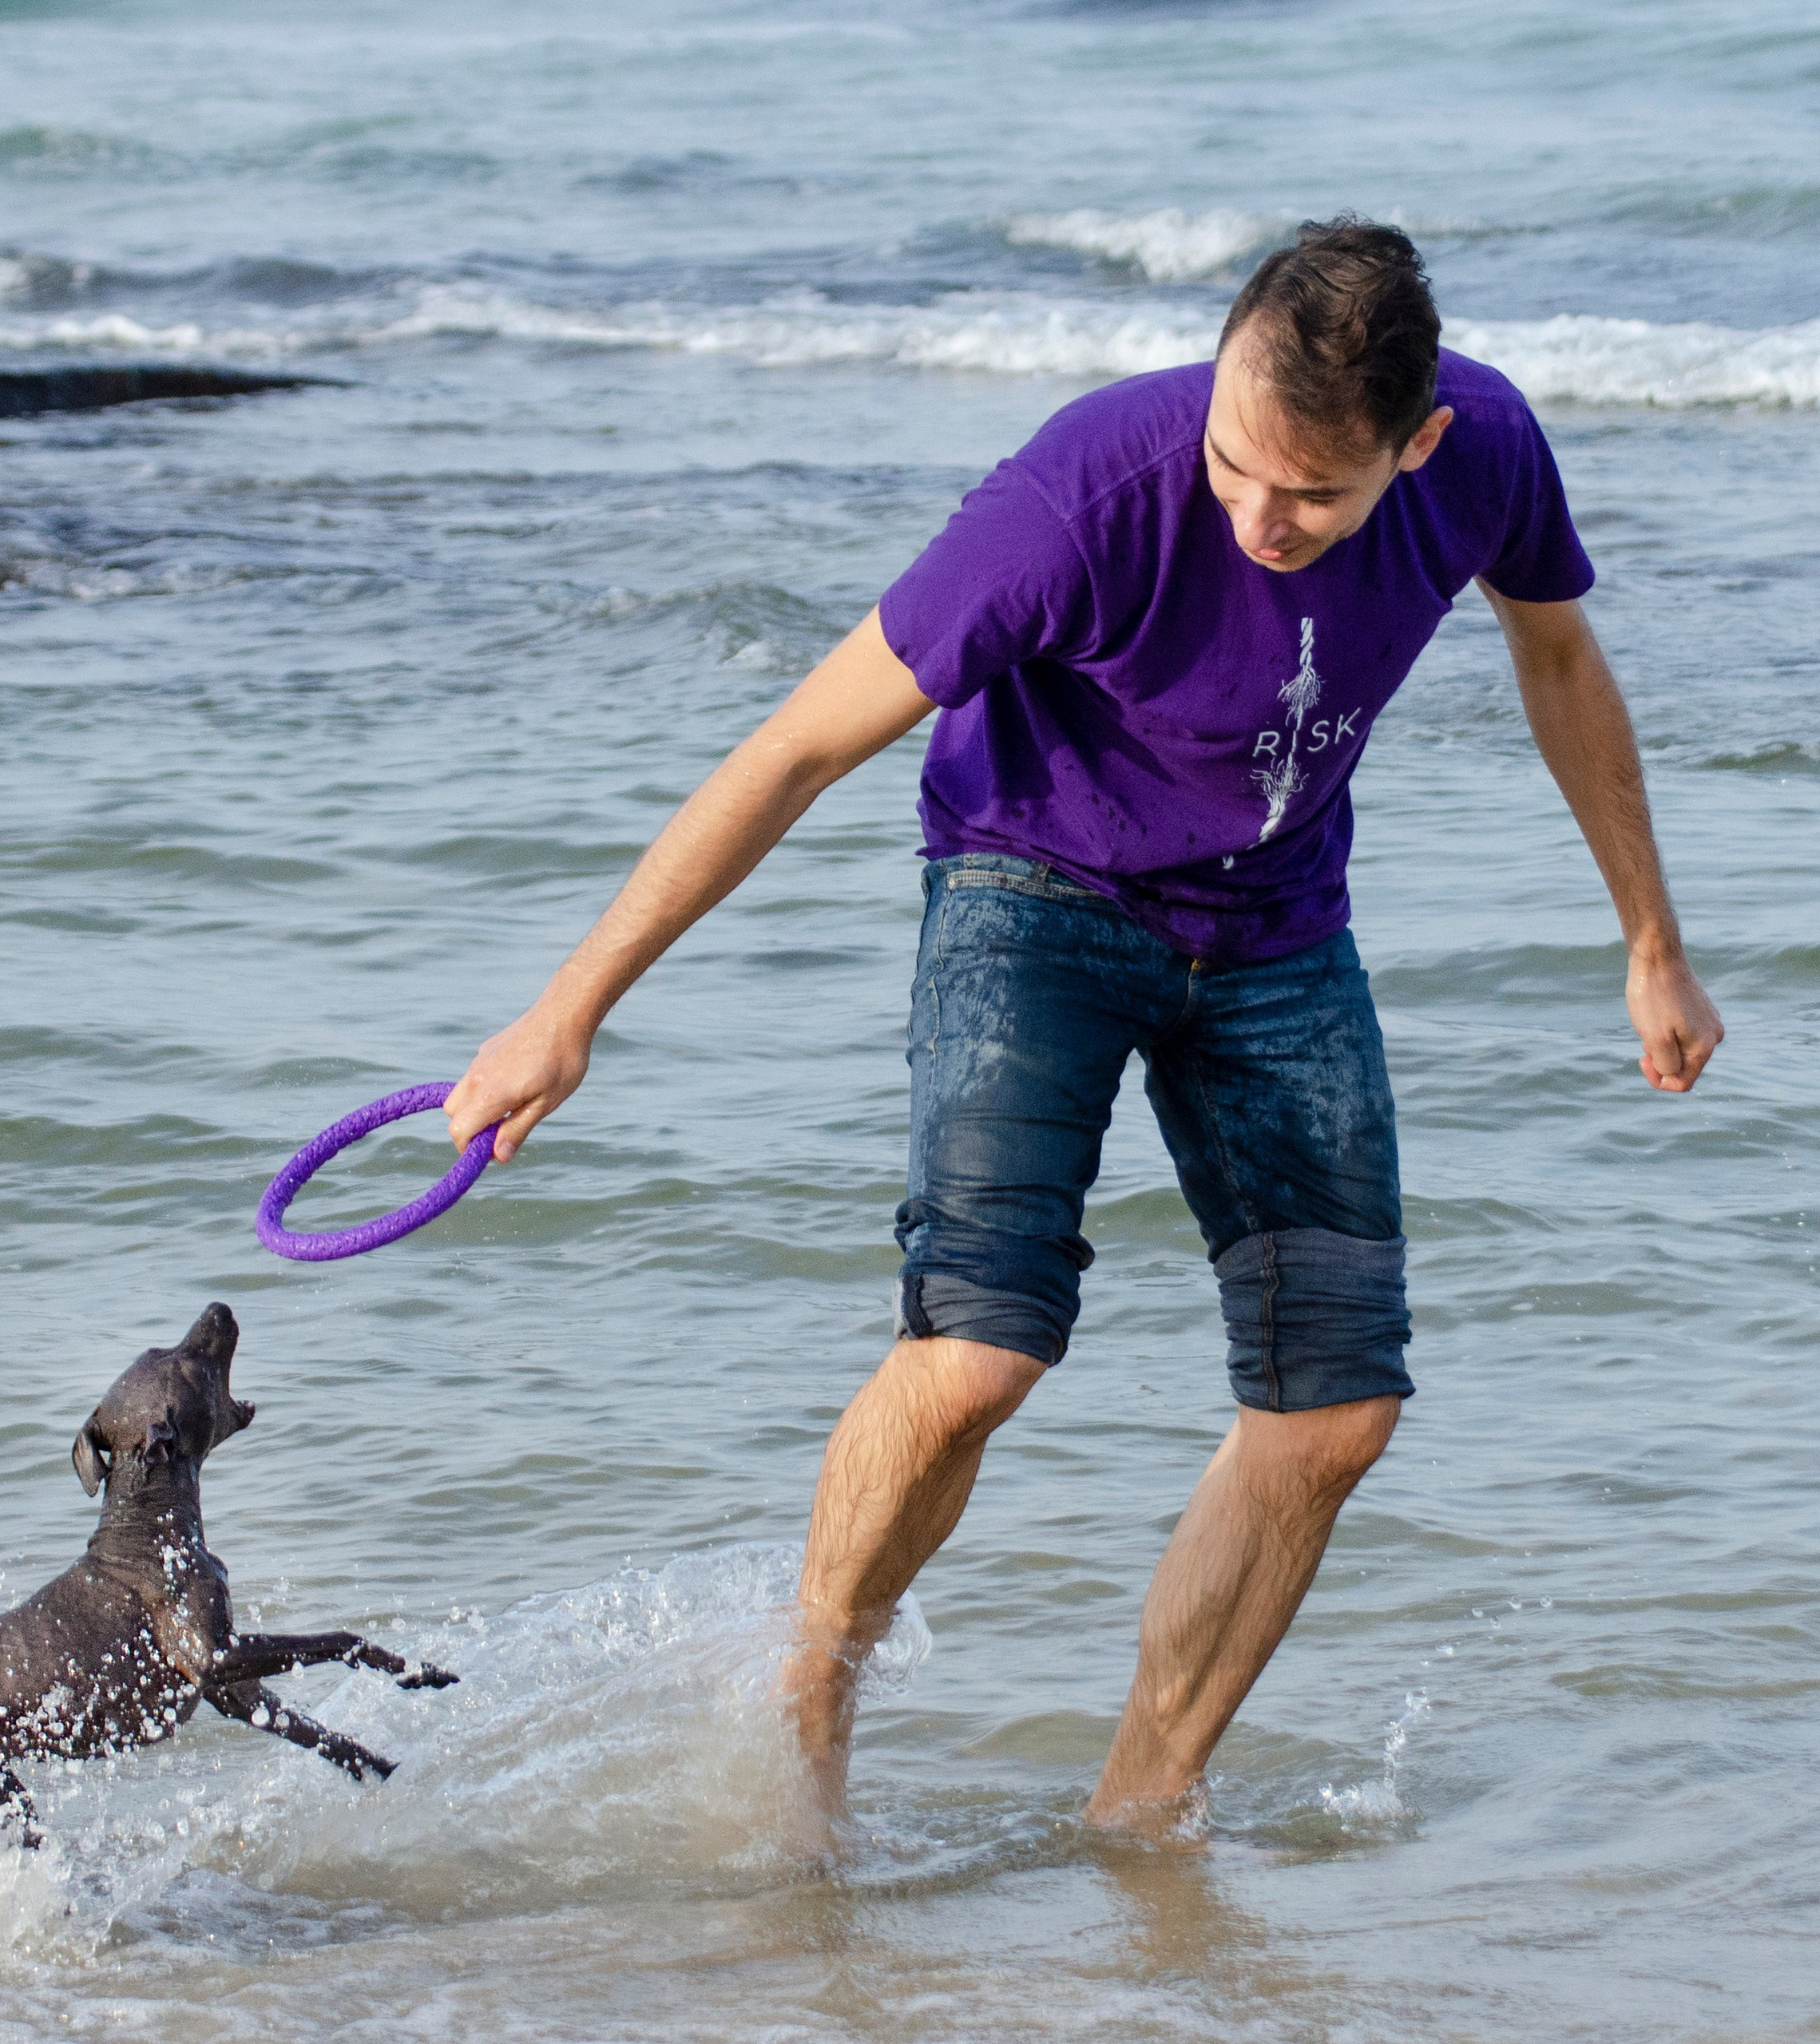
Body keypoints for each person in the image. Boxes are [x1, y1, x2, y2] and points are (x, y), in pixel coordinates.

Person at [442, 217, 1723, 1830]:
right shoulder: (1081, 495)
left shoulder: (1490, 453)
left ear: (1416, 445)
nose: (1258, 519)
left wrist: (1650, 943)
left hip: (1272, 924)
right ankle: (815, 1682)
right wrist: (567, 1011)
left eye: (1312, 497)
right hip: (1030, 888)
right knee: (978, 1350)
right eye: (1235, 465)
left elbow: (1556, 655)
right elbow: (790, 750)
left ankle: (1135, 1813)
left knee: (1334, 1409)